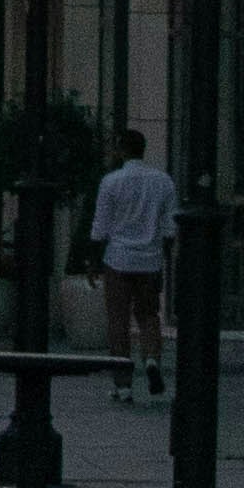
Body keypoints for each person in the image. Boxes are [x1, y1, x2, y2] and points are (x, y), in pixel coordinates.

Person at [86, 129, 175, 399]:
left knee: (118, 320)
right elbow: (170, 227)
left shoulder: (111, 182)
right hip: (149, 259)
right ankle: (151, 359)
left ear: (121, 150)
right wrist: (163, 258)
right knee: (149, 315)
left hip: (118, 258)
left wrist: (92, 260)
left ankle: (123, 384)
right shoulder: (163, 182)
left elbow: (100, 226)